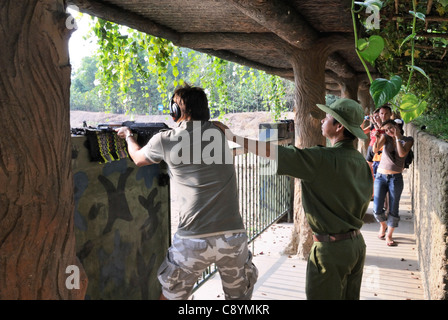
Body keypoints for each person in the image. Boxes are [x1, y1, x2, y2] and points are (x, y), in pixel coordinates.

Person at [214, 98, 373, 300]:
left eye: (328, 117)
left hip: (330, 252)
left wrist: (232, 136)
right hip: (356, 246)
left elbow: (274, 153)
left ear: (339, 126)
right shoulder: (360, 161)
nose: (323, 119)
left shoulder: (321, 159)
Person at [116, 84, 258, 300]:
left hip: (193, 238)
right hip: (232, 236)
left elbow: (137, 158)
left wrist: (128, 135)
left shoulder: (164, 139)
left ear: (177, 111)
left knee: (171, 296)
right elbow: (217, 127)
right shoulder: (219, 132)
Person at [372, 119, 414, 246]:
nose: (388, 131)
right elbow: (375, 150)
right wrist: (378, 138)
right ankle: (383, 225)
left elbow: (401, 154)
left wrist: (397, 137)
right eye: (386, 130)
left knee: (393, 208)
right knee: (377, 208)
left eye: (390, 128)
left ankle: (389, 235)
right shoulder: (385, 137)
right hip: (380, 176)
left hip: (395, 178)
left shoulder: (408, 139)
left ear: (396, 125)